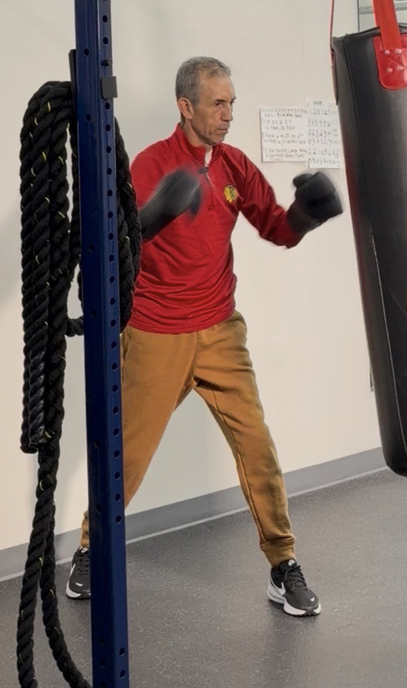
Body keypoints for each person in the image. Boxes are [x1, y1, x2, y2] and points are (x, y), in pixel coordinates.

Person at [66, 56, 342, 617]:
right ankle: (92, 547)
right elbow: (115, 248)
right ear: (185, 106)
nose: (228, 114)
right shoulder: (148, 164)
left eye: (233, 102)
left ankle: (282, 563)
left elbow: (276, 229)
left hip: (220, 330)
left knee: (257, 447)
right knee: (127, 458)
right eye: (218, 103)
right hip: (155, 331)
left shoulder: (234, 166)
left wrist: (307, 216)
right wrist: (154, 215)